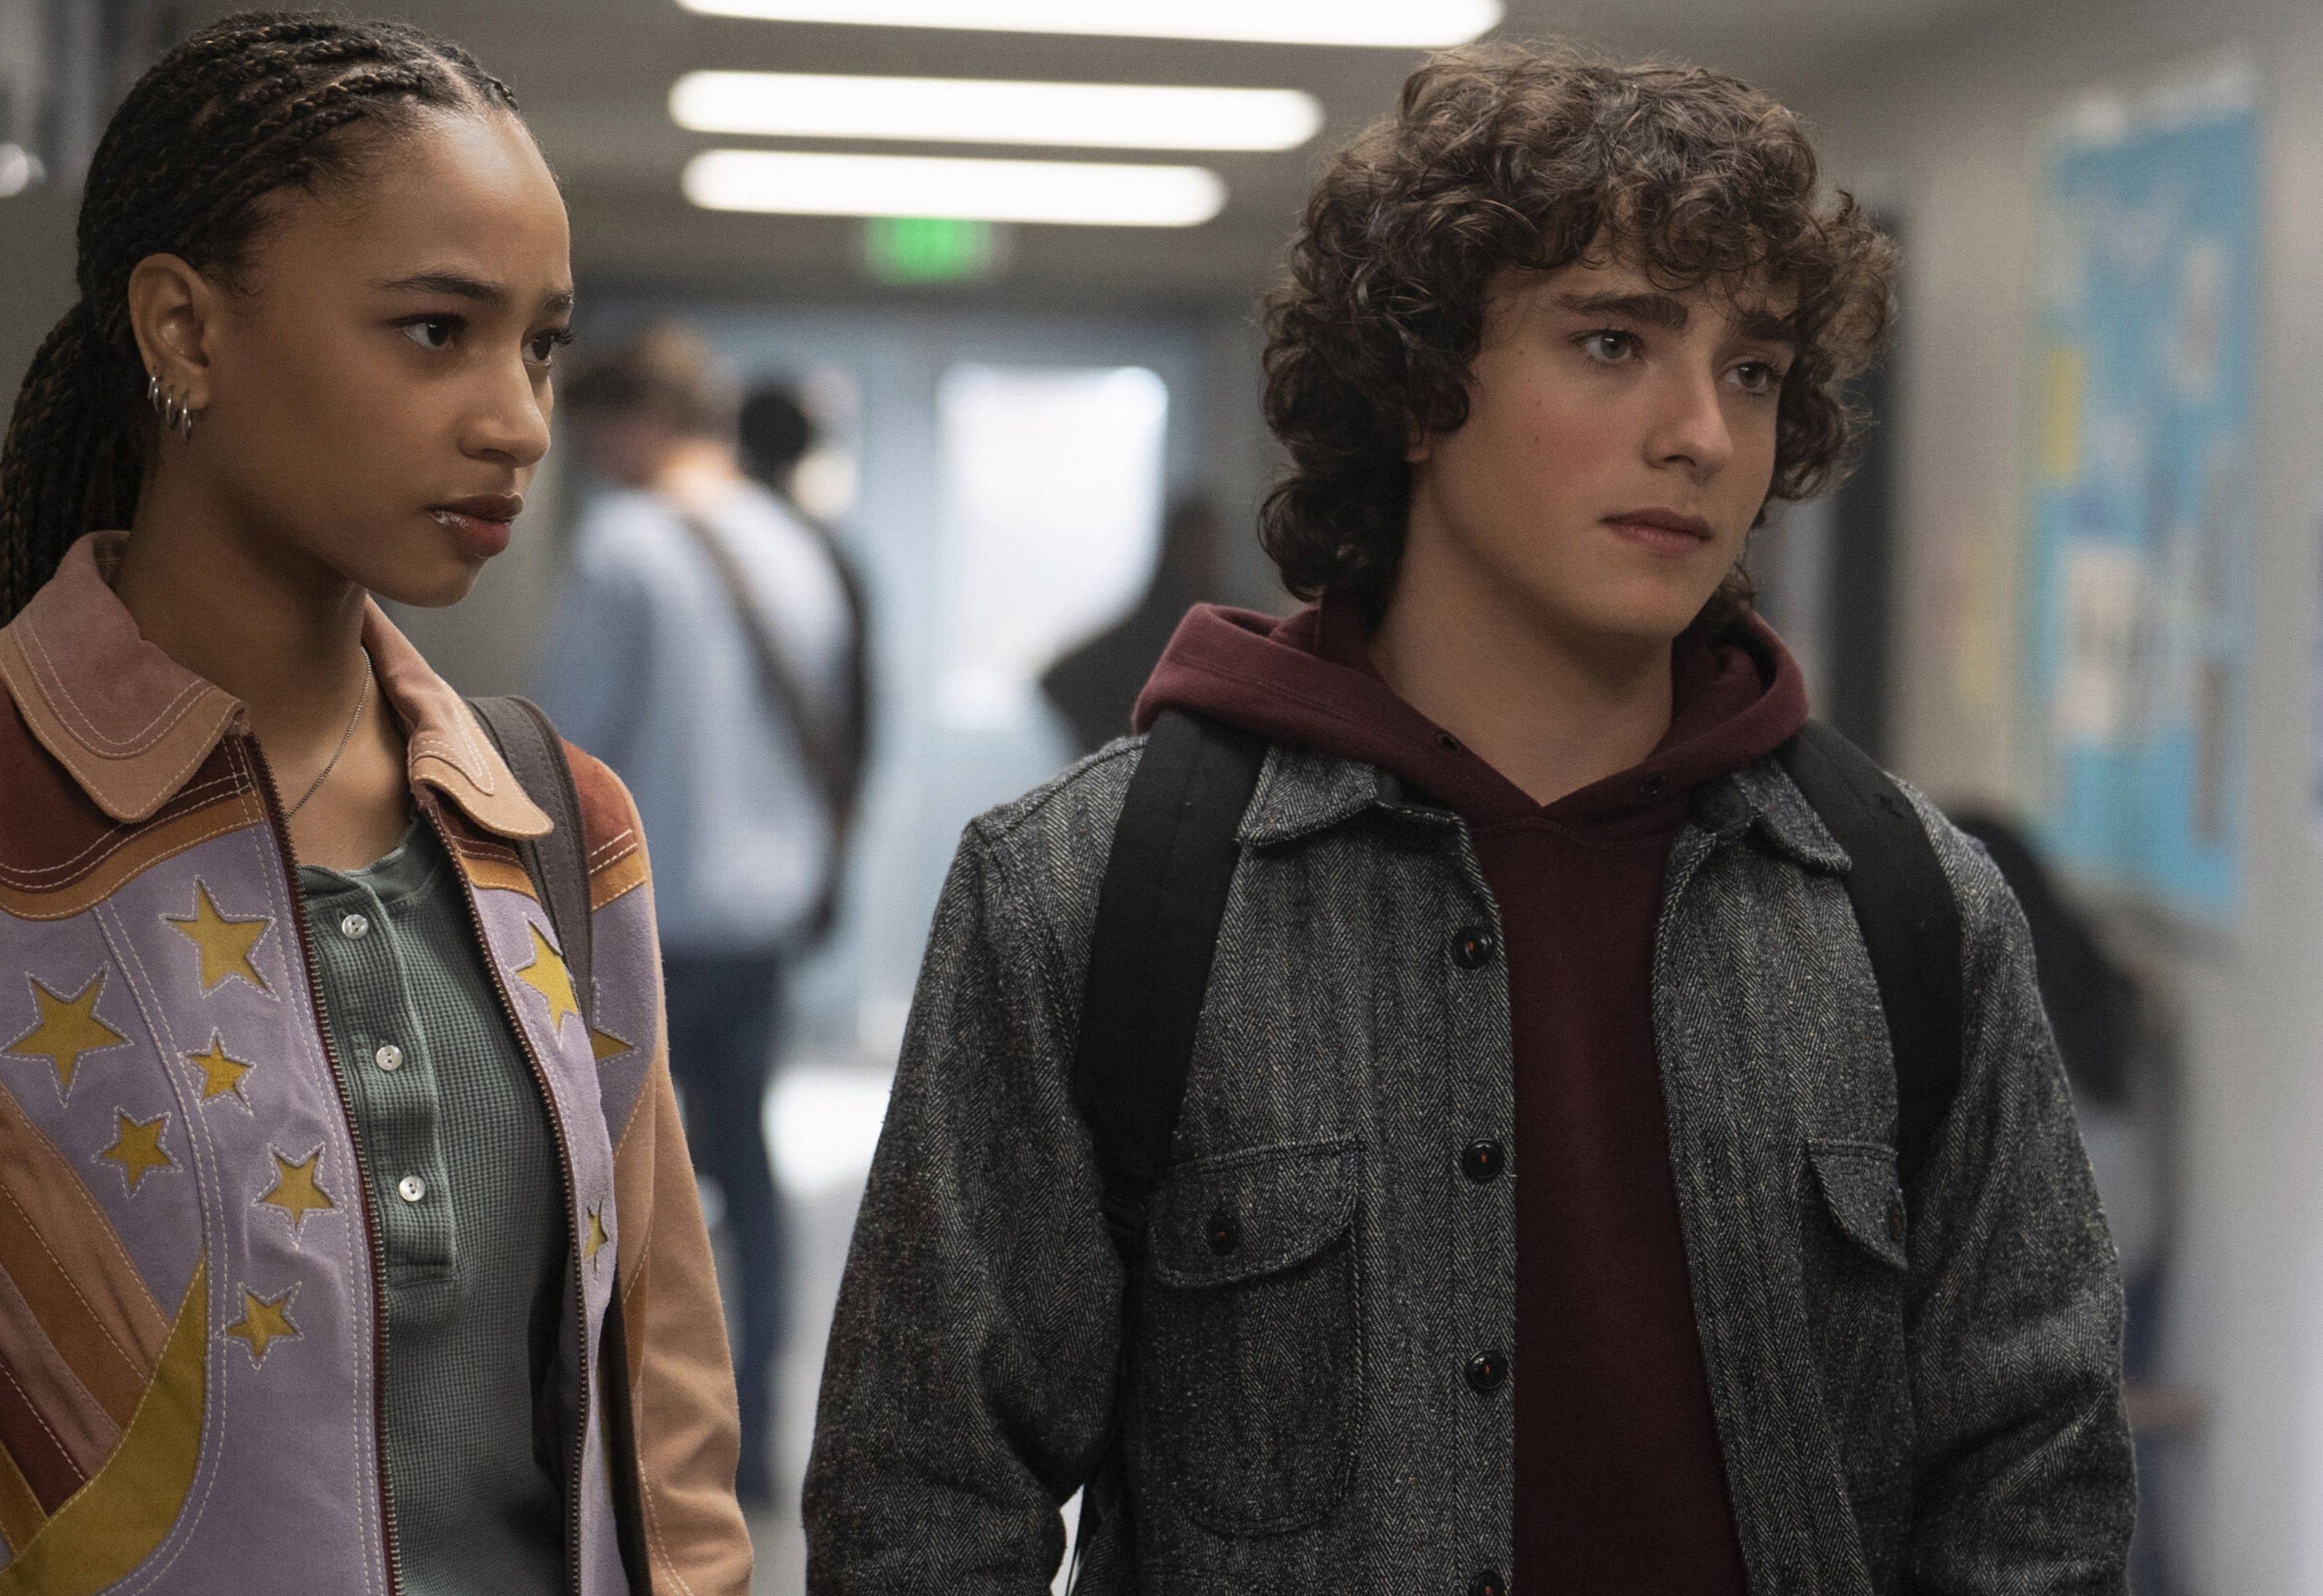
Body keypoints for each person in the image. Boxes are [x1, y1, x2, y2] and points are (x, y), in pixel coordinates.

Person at [806, 41, 2132, 1594]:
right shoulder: (1095, 893)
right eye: (1614, 342)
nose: (1704, 434)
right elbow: (924, 1502)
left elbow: (2035, 1484)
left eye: (1754, 370)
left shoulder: (1908, 902)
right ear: (1420, 390)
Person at [0, 16, 748, 1596]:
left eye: (540, 346)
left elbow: (672, 1468)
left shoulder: (555, 831)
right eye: (435, 331)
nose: (519, 420)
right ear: (184, 330)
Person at [536, 330, 867, 1510]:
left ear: (635, 424)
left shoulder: (624, 546)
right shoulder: (795, 547)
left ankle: (632, 1452)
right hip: (760, 926)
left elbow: (562, 759)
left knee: (621, 1191)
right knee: (748, 1179)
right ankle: (755, 1443)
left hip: (643, 925)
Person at [1040, 494, 1230, 756]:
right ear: (1174, 547)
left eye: (1209, 547)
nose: (1202, 558)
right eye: (1195, 545)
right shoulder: (1151, 629)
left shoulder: (1225, 628)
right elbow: (1059, 680)